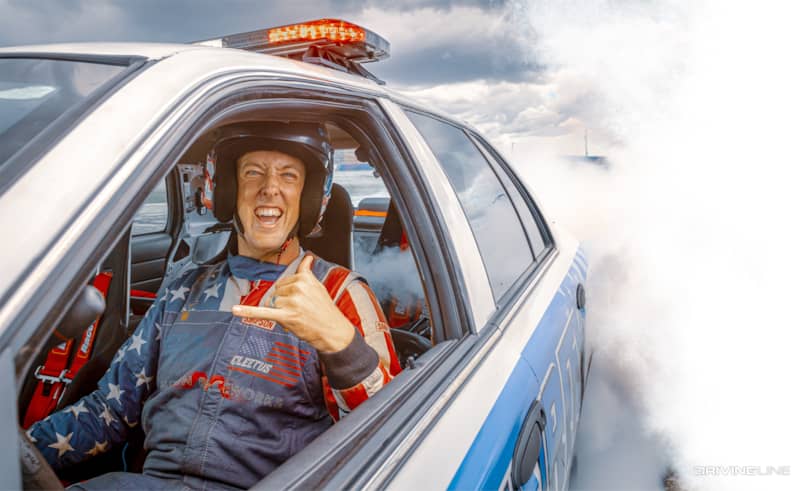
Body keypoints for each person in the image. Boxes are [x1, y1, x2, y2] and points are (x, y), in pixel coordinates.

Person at [27, 122, 402, 490]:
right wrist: (21, 450)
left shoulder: (339, 294)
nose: (270, 189)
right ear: (226, 189)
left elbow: (386, 440)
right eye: (253, 173)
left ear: (308, 196)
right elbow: (109, 410)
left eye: (289, 176)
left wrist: (341, 345)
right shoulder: (184, 285)